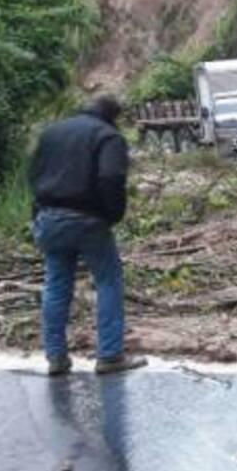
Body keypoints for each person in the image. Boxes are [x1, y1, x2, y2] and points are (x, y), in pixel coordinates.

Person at [29, 96, 146, 376]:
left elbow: (33, 174)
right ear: (112, 116)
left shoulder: (52, 132)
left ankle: (56, 357)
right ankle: (109, 355)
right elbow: (110, 178)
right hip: (88, 219)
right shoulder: (108, 136)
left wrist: (37, 214)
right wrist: (111, 215)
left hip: (49, 217)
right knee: (108, 281)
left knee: (56, 285)